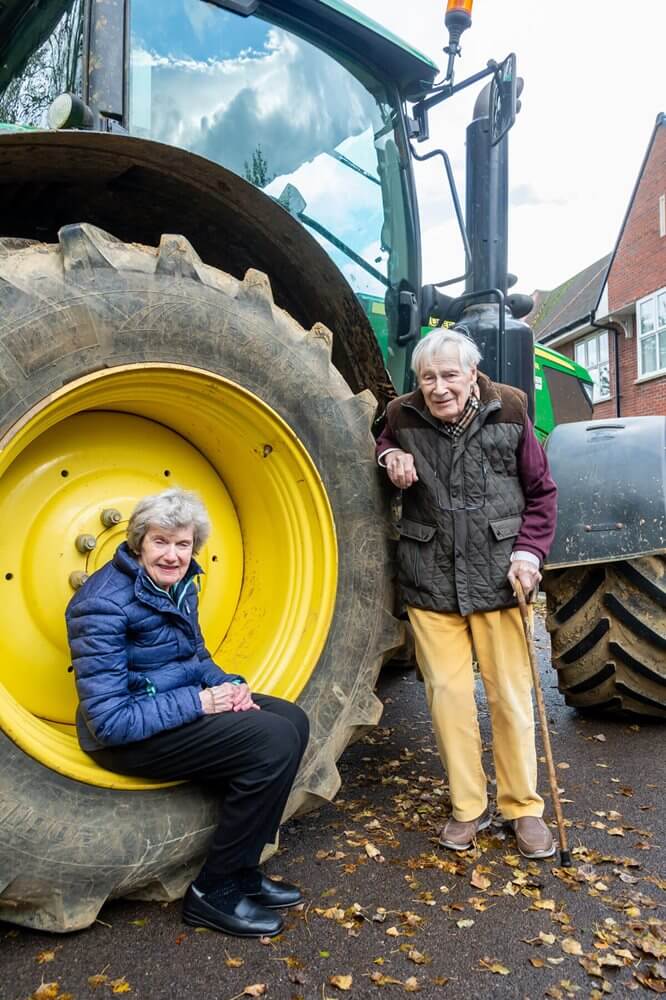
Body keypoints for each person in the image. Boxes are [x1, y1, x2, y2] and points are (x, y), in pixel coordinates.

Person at [66, 488, 309, 938]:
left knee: (292, 720)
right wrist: (201, 702)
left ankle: (241, 869)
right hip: (128, 738)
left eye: (183, 544)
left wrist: (228, 687)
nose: (173, 555)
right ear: (139, 542)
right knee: (270, 741)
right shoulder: (101, 604)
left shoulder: (180, 585)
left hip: (175, 710)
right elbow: (111, 720)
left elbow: (195, 657)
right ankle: (211, 893)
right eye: (161, 542)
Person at [376, 328, 558, 859]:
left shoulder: (510, 410)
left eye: (449, 375)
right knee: (448, 700)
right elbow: (380, 444)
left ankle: (523, 809)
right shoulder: (401, 415)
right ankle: (468, 807)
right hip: (431, 579)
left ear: (471, 374)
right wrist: (388, 457)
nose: (438, 388)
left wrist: (529, 553)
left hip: (502, 580)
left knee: (511, 700)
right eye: (428, 377)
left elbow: (542, 492)